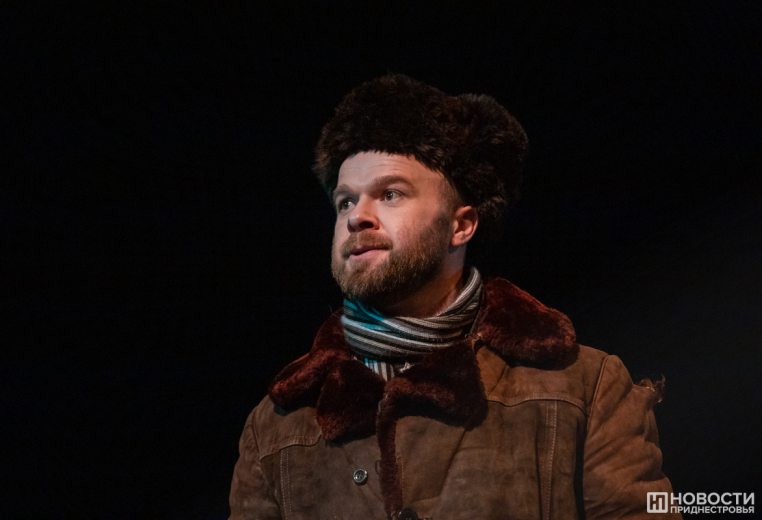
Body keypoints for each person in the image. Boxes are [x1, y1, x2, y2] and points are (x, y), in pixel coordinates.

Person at [228, 74, 679, 520]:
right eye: (345, 201)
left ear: (461, 226)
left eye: (390, 194)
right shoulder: (274, 426)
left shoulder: (585, 387)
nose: (357, 217)